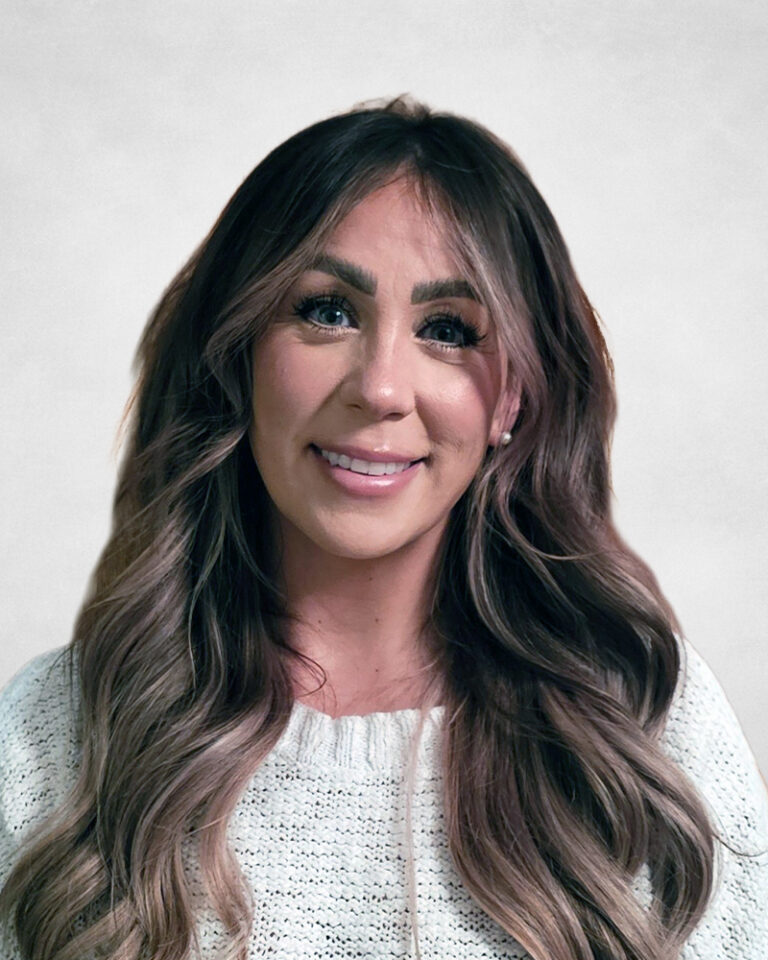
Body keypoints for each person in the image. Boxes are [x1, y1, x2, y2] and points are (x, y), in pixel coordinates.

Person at [0, 95, 766, 960]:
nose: (381, 388)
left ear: (512, 400)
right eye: (328, 311)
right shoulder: (55, 730)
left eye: (447, 330)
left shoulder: (648, 729)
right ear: (238, 354)